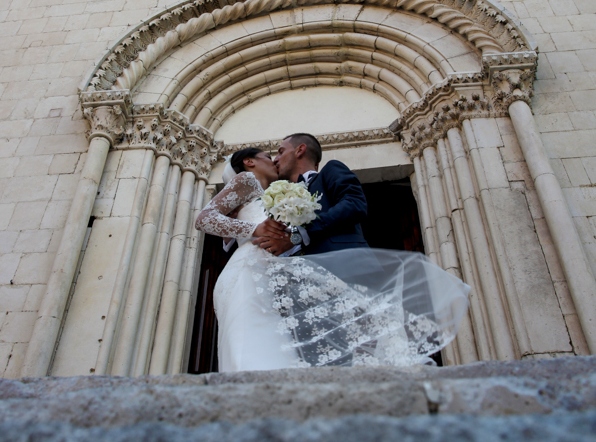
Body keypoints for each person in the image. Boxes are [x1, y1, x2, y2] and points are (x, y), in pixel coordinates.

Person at [195, 138, 470, 374]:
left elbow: (352, 205)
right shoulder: (247, 182)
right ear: (249, 162)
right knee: (253, 334)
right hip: (255, 270)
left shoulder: (299, 185)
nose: (275, 159)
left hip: (298, 276)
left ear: (300, 150)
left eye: (278, 152)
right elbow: (206, 219)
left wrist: (294, 235)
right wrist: (252, 228)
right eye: (269, 156)